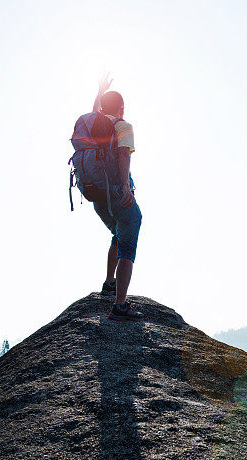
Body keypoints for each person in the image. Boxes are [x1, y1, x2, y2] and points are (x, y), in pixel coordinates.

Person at [90, 75, 143, 320]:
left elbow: (94, 112)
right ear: (121, 108)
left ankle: (109, 284)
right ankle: (120, 305)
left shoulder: (93, 123)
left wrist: (99, 91)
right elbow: (124, 156)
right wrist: (125, 187)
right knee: (130, 233)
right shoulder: (123, 126)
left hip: (96, 195)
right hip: (115, 192)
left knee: (117, 233)